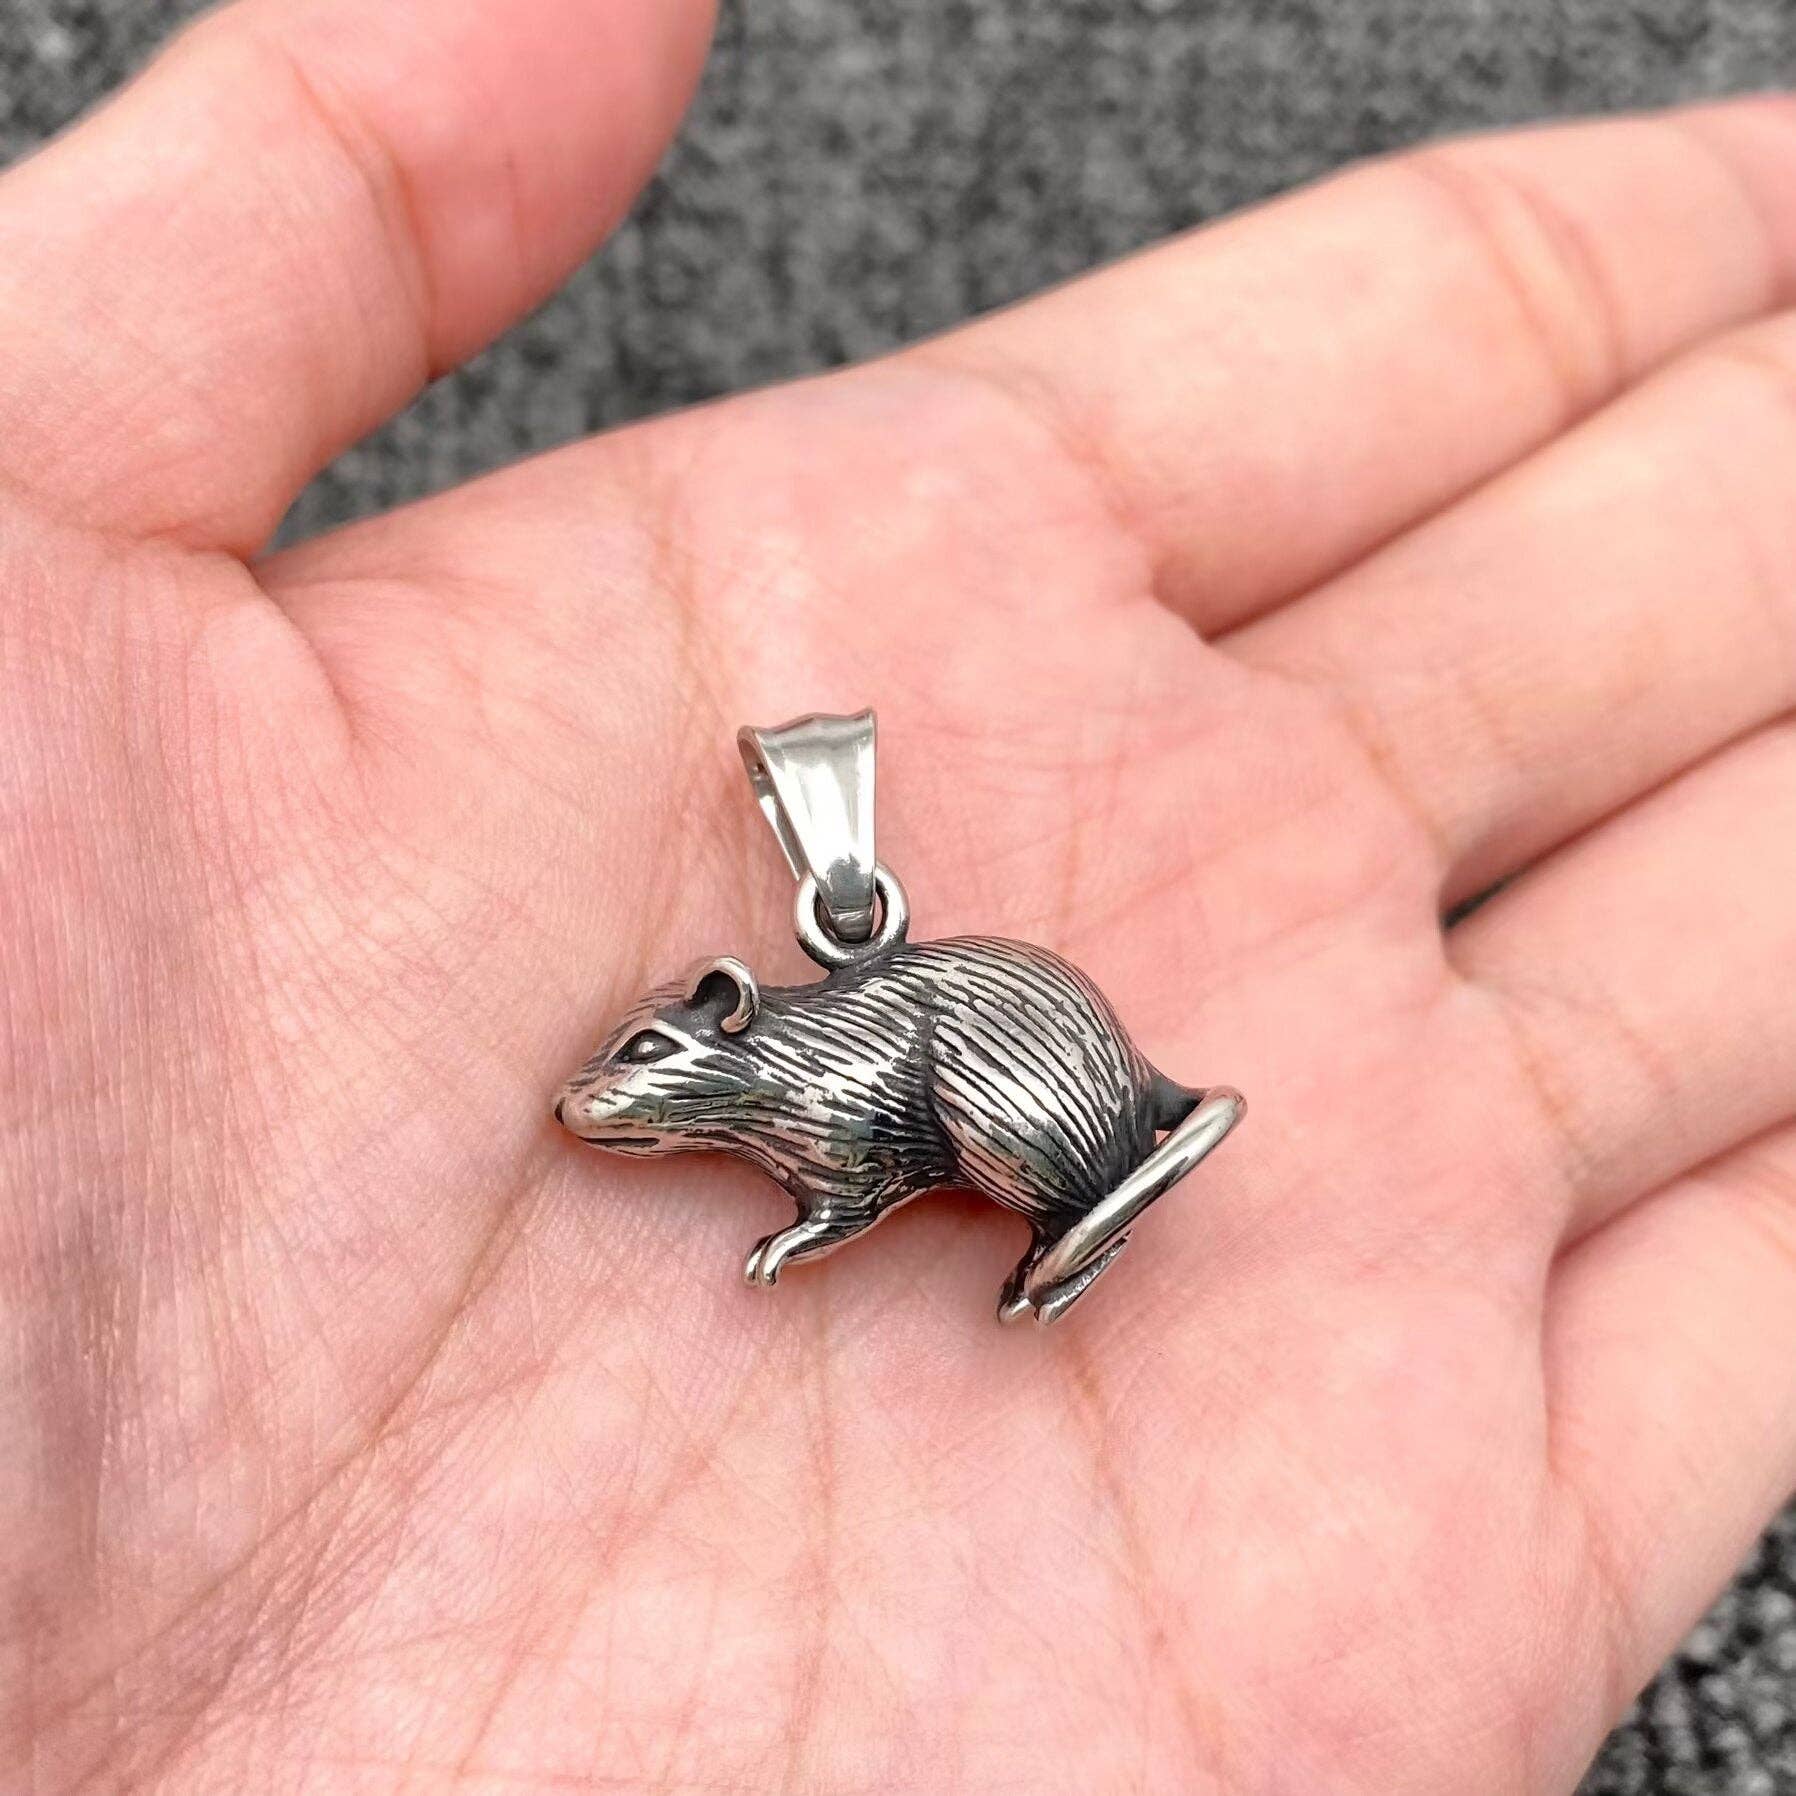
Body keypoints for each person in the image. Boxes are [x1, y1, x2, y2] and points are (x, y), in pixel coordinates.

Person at [4, 1, 1794, 1790]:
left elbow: (873, 1146)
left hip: (1041, 1117)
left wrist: (827, 1227)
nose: (611, 1108)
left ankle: (1080, 1191)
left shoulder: (801, 1077)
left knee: (970, 1093)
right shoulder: (776, 1079)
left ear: (719, 1027)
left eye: (641, 1080)